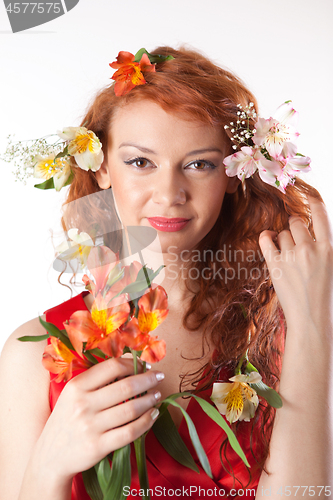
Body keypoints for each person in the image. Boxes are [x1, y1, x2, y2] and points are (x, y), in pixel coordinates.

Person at [0, 46, 332, 500]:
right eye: (141, 162)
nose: (169, 193)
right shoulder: (32, 355)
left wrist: (312, 326)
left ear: (235, 173)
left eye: (200, 164)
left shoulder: (282, 338)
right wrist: (48, 464)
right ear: (100, 169)